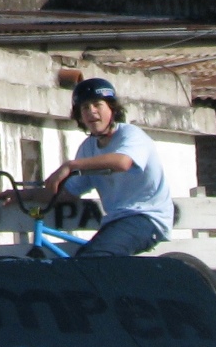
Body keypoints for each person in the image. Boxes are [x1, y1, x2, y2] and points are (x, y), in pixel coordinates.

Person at [14, 77, 175, 258]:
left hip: (148, 218)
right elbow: (67, 193)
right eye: (85, 108)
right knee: (84, 260)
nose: (91, 111)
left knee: (95, 258)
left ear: (112, 109)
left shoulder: (131, 135)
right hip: (116, 221)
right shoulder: (88, 148)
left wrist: (70, 166)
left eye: (97, 105)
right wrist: (20, 195)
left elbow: (123, 162)